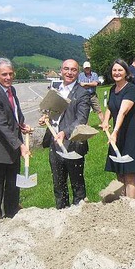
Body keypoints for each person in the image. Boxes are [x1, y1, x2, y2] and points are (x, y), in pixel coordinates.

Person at [0, 58, 32, 218]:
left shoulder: (12, 90)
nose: (8, 77)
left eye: (10, 73)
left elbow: (15, 114)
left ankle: (11, 213)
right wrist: (20, 145)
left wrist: (22, 124)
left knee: (13, 183)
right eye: (4, 74)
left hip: (12, 146)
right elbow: (1, 126)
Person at [39, 59, 91, 209]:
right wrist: (46, 118)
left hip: (73, 144)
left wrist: (65, 132)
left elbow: (81, 119)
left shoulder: (82, 93)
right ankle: (61, 215)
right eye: (66, 69)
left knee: (77, 185)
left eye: (73, 70)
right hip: (54, 144)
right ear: (61, 70)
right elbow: (50, 111)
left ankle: (79, 216)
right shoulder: (55, 90)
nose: (69, 72)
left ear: (78, 72)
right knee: (59, 185)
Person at [101, 58, 135, 198]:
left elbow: (122, 111)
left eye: (120, 70)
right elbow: (111, 106)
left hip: (131, 134)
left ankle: (131, 206)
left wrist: (114, 132)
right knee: (119, 172)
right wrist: (105, 121)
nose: (117, 73)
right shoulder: (112, 89)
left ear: (126, 72)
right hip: (118, 133)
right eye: (114, 70)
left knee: (129, 173)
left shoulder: (131, 89)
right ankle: (123, 206)